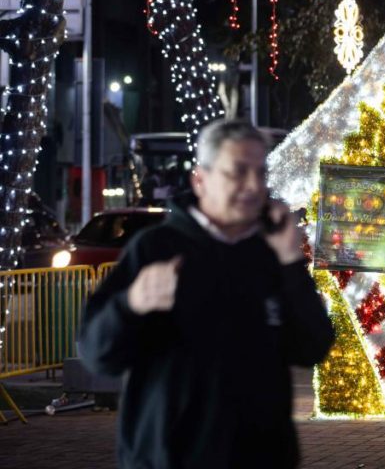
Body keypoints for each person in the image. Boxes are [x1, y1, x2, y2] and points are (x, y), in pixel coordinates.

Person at [79, 120, 335, 468]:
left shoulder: (270, 254)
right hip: (170, 458)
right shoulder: (156, 248)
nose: (252, 186)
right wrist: (131, 304)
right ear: (200, 179)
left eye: (260, 173)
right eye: (237, 172)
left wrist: (291, 263)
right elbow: (97, 354)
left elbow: (312, 346)